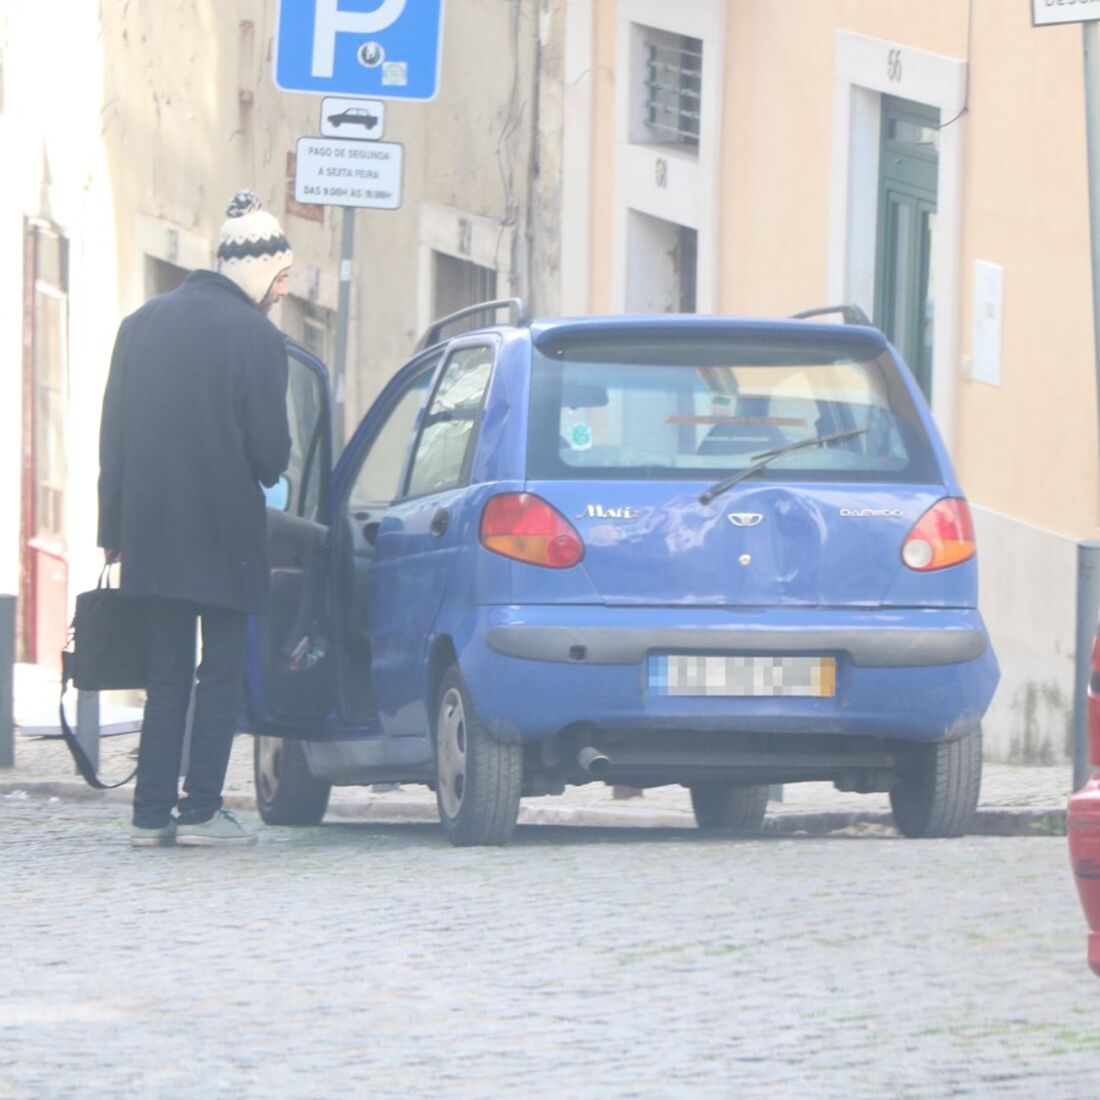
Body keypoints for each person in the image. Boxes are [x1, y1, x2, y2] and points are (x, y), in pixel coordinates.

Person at [97, 189, 293, 847]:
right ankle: (203, 808)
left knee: (166, 672)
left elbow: (113, 438)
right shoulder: (259, 340)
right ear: (260, 273)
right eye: (284, 279)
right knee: (221, 672)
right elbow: (270, 460)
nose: (285, 293)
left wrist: (111, 532)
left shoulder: (140, 325)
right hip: (226, 536)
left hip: (150, 533)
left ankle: (150, 814)